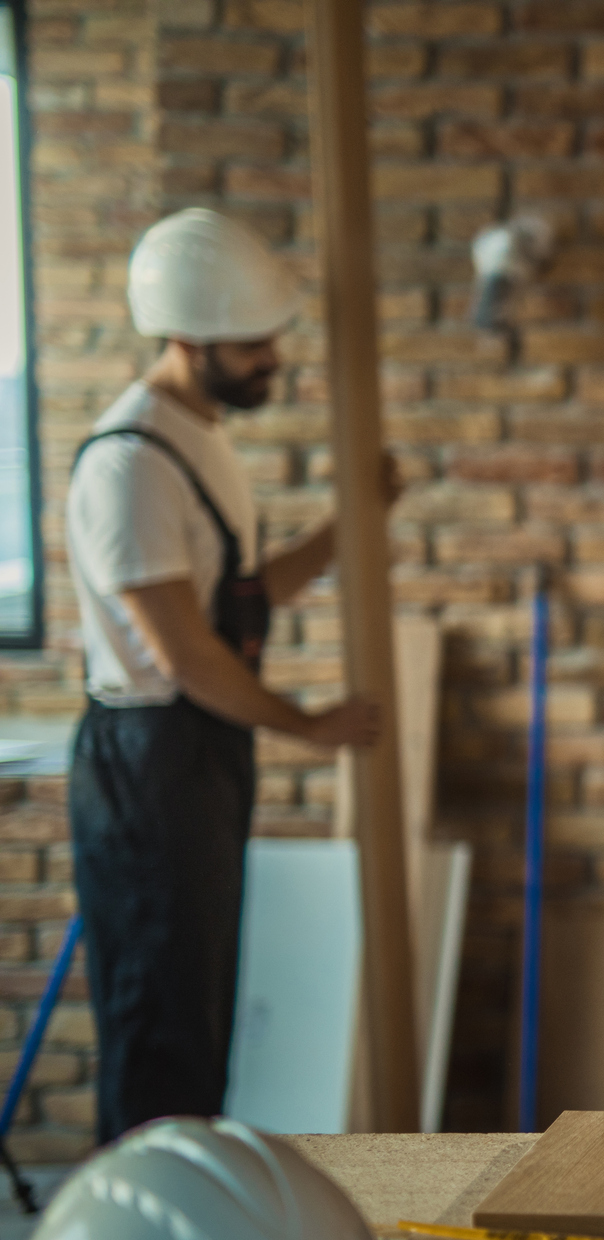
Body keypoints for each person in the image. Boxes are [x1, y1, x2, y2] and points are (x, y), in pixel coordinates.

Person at [66, 208, 393, 1142]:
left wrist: (352, 522)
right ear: (187, 339)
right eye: (252, 345)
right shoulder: (132, 464)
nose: (271, 361)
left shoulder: (198, 437)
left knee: (196, 1013)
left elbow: (244, 595)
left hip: (199, 749)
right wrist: (309, 724)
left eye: (272, 340)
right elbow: (184, 651)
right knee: (160, 1023)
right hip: (152, 758)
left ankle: (194, 1218)